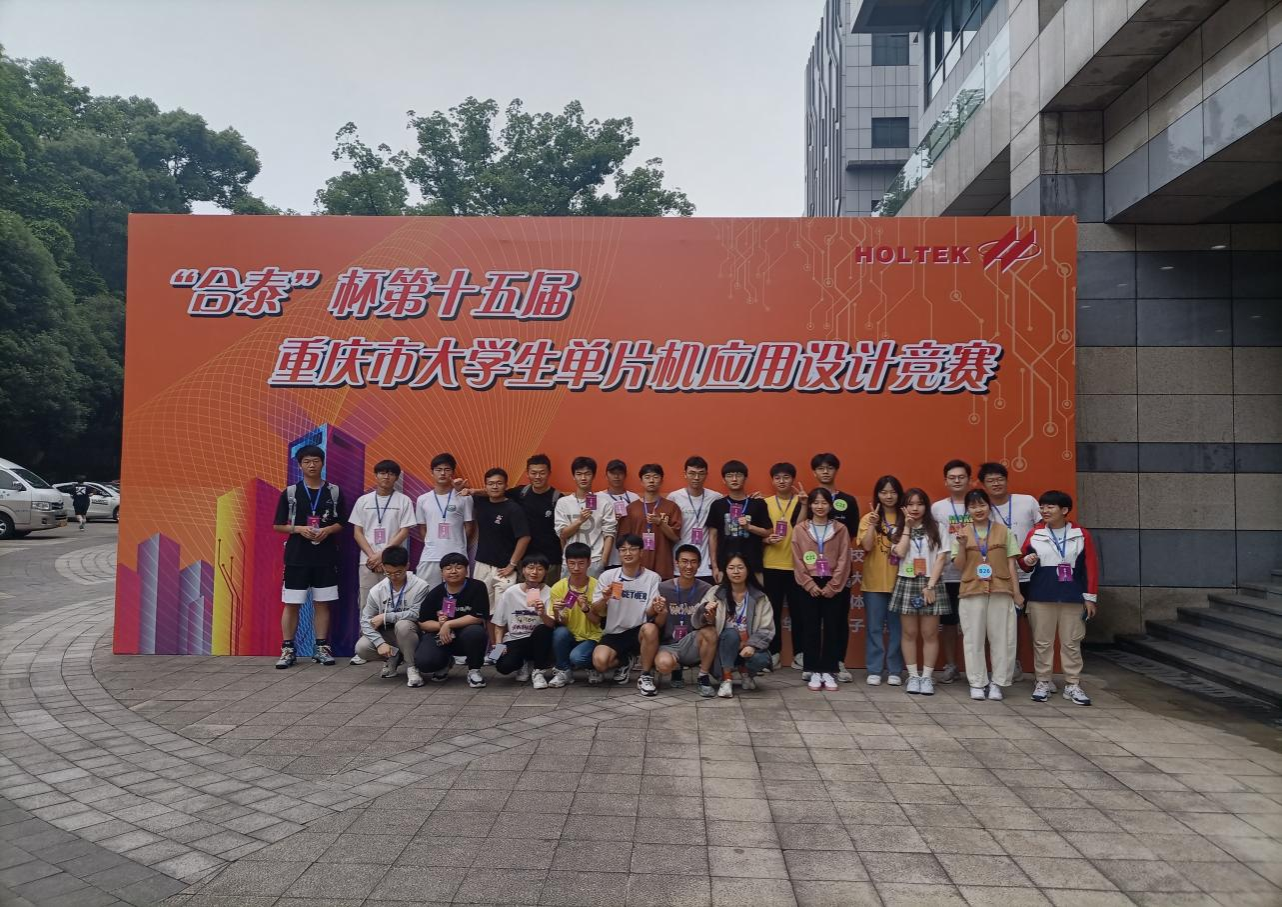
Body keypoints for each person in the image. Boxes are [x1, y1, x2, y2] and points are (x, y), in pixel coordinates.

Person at [1020, 491, 1100, 706]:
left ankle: (1072, 683)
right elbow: (1023, 562)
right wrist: (1028, 560)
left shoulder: (1081, 534)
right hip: (1041, 595)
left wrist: (1090, 598)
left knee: (1071, 642)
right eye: (1042, 507)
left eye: (1050, 507)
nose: (1044, 511)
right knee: (1042, 642)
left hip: (1072, 596)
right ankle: (1042, 681)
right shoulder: (1035, 533)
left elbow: (1090, 567)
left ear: (1064, 510)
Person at [272, 445, 346, 668]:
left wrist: (328, 530)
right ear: (300, 465)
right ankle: (287, 649)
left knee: (322, 603)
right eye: (307, 462)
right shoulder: (290, 493)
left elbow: (342, 523)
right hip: (297, 557)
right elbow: (278, 525)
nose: (312, 465)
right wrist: (299, 529)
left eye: (316, 461)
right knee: (292, 603)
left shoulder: (334, 492)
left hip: (325, 558)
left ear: (322, 463)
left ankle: (321, 647)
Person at [951, 489, 1024, 700]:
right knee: (973, 638)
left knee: (1002, 638)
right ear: (967, 510)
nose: (978, 509)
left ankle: (997, 683)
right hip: (972, 590)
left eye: (982, 505)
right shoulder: (962, 533)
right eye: (973, 506)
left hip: (1001, 589)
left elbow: (1011, 564)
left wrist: (1016, 592)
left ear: (989, 507)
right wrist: (962, 546)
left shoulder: (1004, 531)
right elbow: (959, 566)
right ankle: (977, 682)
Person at [979, 462, 1042, 683]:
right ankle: (1010, 664)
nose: (996, 483)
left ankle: (1042, 674)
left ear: (1007, 480)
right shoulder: (983, 508)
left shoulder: (1028, 502)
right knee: (1004, 625)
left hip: (1033, 574)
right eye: (990, 480)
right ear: (983, 484)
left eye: (1000, 479)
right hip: (1001, 576)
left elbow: (1044, 530)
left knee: (1038, 626)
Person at [888, 489, 949, 695]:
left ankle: (927, 677)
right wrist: (907, 526)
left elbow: (942, 557)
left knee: (929, 633)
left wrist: (930, 586)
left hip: (931, 582)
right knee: (909, 633)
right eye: (910, 504)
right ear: (904, 507)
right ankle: (913, 676)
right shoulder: (897, 529)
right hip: (907, 581)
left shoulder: (938, 528)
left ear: (926, 506)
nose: (915, 508)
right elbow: (899, 552)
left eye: (920, 503)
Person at [349, 460, 417, 645]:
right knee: (366, 603)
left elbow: (404, 531)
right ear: (376, 475)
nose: (386, 477)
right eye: (382, 473)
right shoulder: (363, 501)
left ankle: (393, 645)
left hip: (394, 563)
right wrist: (373, 556)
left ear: (396, 477)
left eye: (391, 473)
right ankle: (366, 644)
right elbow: (357, 532)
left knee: (395, 603)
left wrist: (383, 556)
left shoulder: (403, 500)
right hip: (368, 562)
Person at [791, 488, 852, 692]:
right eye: (815, 502)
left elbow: (844, 559)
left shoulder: (840, 529)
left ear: (830, 505)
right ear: (810, 505)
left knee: (833, 627)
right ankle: (813, 669)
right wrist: (809, 584)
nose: (819, 506)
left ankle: (829, 670)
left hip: (833, 583)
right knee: (810, 627)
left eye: (824, 502)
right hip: (808, 584)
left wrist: (833, 586)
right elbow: (797, 559)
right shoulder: (800, 529)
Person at [590, 534, 663, 695]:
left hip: (638, 630)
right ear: (618, 553)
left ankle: (645, 675)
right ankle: (625, 661)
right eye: (623, 550)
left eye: (632, 549)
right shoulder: (608, 576)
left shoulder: (652, 578)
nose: (628, 553)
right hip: (614, 632)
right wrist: (604, 598)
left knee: (650, 628)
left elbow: (649, 612)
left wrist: (657, 608)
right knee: (600, 663)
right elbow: (595, 609)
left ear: (641, 552)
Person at [692, 554, 773, 698]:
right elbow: (696, 621)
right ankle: (726, 679)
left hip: (746, 648)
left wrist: (752, 645)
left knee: (762, 659)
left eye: (740, 567)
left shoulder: (760, 597)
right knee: (731, 633)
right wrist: (705, 611)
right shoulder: (716, 592)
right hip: (722, 649)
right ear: (725, 571)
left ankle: (746, 673)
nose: (736, 571)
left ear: (748, 570)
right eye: (731, 568)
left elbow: (766, 628)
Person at [810, 453, 861, 680]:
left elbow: (852, 535)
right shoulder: (810, 499)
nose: (825, 472)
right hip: (812, 573)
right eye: (821, 468)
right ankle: (813, 664)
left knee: (838, 619)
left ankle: (838, 662)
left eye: (830, 468)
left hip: (839, 570)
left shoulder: (848, 501)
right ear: (814, 472)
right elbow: (798, 529)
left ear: (836, 471)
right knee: (812, 621)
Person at [354, 545, 429, 686]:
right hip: (388, 633)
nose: (393, 577)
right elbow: (365, 621)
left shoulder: (420, 586)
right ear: (383, 567)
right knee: (362, 648)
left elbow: (416, 614)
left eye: (398, 573)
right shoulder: (377, 590)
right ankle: (394, 656)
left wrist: (385, 617)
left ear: (407, 566)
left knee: (403, 625)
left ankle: (412, 667)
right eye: (388, 573)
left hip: (413, 633)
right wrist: (380, 643)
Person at [415, 551, 490, 689]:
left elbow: (478, 617)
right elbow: (423, 622)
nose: (453, 571)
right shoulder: (436, 593)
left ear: (466, 570)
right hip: (441, 636)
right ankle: (444, 663)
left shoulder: (477, 587)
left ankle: (474, 670)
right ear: (442, 572)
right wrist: (441, 626)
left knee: (476, 633)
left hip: (466, 635)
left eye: (458, 567)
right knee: (424, 662)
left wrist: (448, 624)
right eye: (448, 568)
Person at [858, 476, 905, 687]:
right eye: (884, 492)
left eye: (893, 492)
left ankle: (895, 669)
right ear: (877, 494)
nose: (888, 496)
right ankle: (875, 669)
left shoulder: (906, 517)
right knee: (874, 628)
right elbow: (867, 546)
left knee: (898, 629)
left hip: (902, 581)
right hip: (874, 582)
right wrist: (872, 525)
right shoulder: (869, 518)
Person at [929, 459, 973, 683]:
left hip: (973, 575)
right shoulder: (937, 508)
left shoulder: (979, 503)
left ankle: (976, 669)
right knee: (948, 623)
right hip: (946, 575)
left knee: (974, 624)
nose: (957, 481)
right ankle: (951, 665)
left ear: (970, 480)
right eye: (952, 478)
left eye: (961, 477)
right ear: (945, 481)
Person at [761, 463, 806, 674]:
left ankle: (800, 654)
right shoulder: (764, 503)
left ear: (793, 479)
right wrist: (766, 539)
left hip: (797, 566)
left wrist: (804, 505)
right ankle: (773, 653)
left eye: (786, 477)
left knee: (800, 612)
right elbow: (758, 533)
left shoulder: (802, 502)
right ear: (772, 480)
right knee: (772, 612)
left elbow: (803, 529)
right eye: (777, 477)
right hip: (771, 564)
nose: (782, 481)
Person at [491, 554, 555, 688]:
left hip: (538, 640)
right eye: (530, 568)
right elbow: (499, 624)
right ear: (523, 570)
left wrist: (542, 613)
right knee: (502, 666)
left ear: (545, 572)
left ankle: (538, 671)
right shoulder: (511, 592)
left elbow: (551, 624)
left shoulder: (550, 592)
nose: (534, 572)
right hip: (514, 639)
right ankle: (523, 662)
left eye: (540, 569)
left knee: (543, 629)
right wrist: (498, 646)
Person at [655, 544, 714, 690]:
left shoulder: (707, 589)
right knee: (663, 665)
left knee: (711, 631)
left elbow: (709, 621)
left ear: (699, 564)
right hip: (669, 643)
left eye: (693, 562)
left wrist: (710, 617)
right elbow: (655, 622)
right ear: (677, 563)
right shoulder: (663, 588)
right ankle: (676, 668)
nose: (689, 566)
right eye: (684, 561)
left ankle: (703, 676)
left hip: (693, 641)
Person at [472, 467, 531, 609]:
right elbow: (468, 492)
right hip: (482, 564)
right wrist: (468, 490)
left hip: (504, 568)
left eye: (499, 483)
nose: (495, 487)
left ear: (506, 485)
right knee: (482, 608)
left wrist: (512, 564)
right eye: (490, 483)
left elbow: (525, 537)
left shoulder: (513, 509)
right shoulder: (480, 502)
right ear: (485, 486)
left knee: (502, 610)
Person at [414, 453, 475, 588]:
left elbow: (469, 527)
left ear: (452, 473)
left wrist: (456, 543)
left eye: (447, 470)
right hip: (430, 556)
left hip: (457, 556)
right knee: (426, 593)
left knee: (458, 594)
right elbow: (422, 528)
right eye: (438, 470)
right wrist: (433, 544)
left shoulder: (464, 497)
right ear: (432, 473)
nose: (442, 473)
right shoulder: (423, 499)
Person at [547, 542, 603, 687]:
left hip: (592, 636)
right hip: (571, 634)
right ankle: (564, 671)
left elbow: (597, 621)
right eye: (572, 563)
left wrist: (586, 609)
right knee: (560, 632)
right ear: (566, 563)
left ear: (589, 563)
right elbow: (562, 622)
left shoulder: (597, 586)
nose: (576, 568)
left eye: (581, 563)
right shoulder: (558, 588)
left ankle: (592, 667)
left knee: (578, 658)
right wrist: (557, 611)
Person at [706, 460, 771, 583]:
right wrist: (714, 567)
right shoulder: (717, 505)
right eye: (729, 476)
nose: (734, 479)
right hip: (725, 565)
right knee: (724, 595)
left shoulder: (758, 504)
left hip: (753, 565)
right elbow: (712, 536)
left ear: (745, 478)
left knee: (756, 595)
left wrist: (749, 527)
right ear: (724, 480)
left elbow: (768, 532)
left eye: (739, 475)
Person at [554, 456, 617, 578]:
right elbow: (562, 534)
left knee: (595, 591)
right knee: (568, 591)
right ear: (573, 476)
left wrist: (603, 561)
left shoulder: (604, 503)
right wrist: (580, 521)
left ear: (593, 476)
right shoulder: (563, 503)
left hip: (594, 560)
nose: (583, 478)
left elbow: (609, 534)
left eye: (587, 474)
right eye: (579, 474)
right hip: (570, 561)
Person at [617, 464, 682, 579]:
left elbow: (675, 537)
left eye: (655, 477)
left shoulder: (671, 507)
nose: (651, 480)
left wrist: (660, 523)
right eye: (647, 477)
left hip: (663, 564)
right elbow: (624, 540)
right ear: (641, 482)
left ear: (661, 481)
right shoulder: (631, 508)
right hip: (637, 566)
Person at [668, 456, 722, 584]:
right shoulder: (674, 497)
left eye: (701, 473)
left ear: (706, 475)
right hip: (680, 563)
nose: (696, 478)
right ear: (685, 474)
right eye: (692, 473)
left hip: (706, 565)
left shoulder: (716, 498)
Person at [512, 454, 564, 584]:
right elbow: (496, 493)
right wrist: (473, 491)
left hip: (551, 561)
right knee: (525, 595)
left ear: (549, 473)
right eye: (533, 473)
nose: (537, 477)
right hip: (525, 560)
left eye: (542, 473)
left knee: (549, 594)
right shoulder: (520, 493)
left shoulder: (558, 498)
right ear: (527, 473)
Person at [603, 459, 640, 567]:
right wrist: (610, 519)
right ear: (606, 475)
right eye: (613, 473)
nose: (616, 476)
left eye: (620, 473)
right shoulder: (597, 497)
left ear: (625, 475)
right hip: (604, 553)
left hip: (629, 554)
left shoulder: (634, 498)